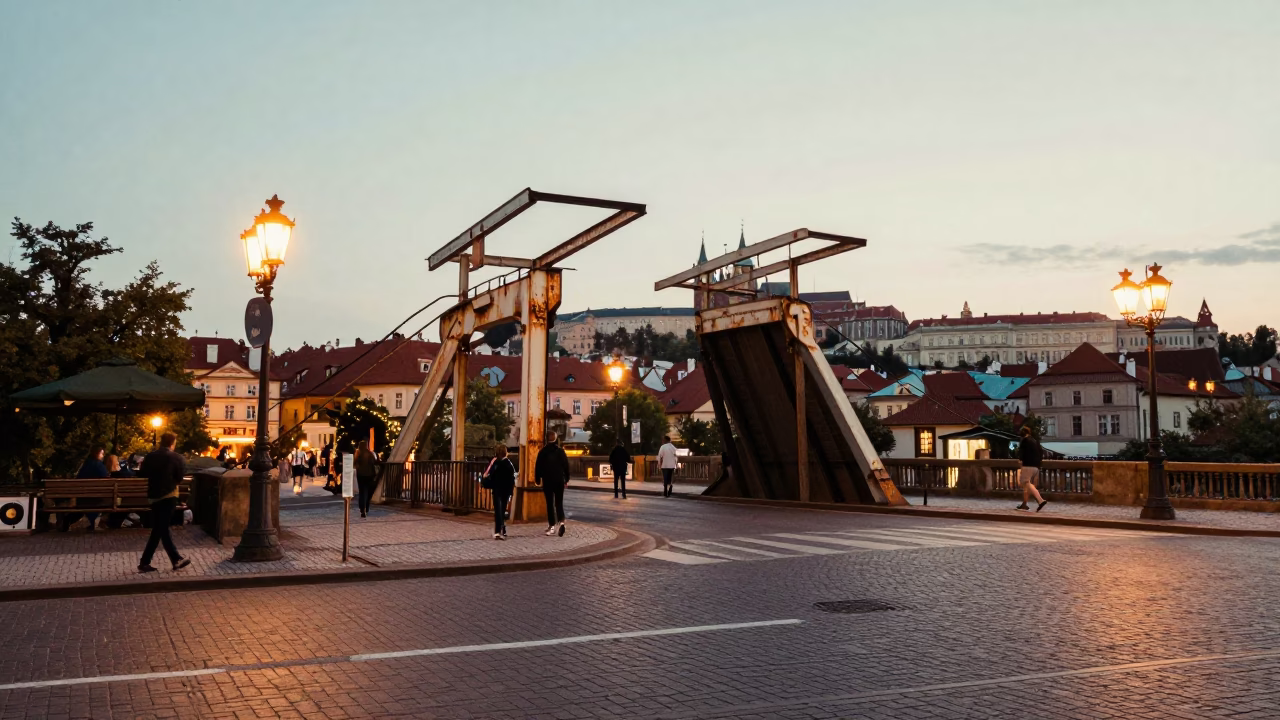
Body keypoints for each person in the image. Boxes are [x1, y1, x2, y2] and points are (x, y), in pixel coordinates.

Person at [138, 432, 191, 573]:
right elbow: (180, 477)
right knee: (162, 528)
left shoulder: (150, 457)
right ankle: (176, 559)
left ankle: (145, 562)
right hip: (169, 495)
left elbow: (143, 473)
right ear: (172, 443)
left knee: (159, 528)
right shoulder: (176, 457)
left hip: (154, 496)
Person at [535, 431, 571, 536]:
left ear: (546, 439)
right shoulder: (560, 452)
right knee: (559, 502)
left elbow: (538, 467)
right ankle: (562, 521)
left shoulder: (542, 452)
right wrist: (567, 478)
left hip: (548, 480)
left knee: (550, 503)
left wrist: (537, 479)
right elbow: (566, 465)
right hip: (559, 480)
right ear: (555, 439)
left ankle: (552, 526)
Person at [69, 446, 110, 532]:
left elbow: (79, 479)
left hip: (83, 496)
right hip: (97, 497)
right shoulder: (99, 465)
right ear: (97, 454)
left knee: (88, 504)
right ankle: (100, 522)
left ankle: (90, 522)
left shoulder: (86, 465)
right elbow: (105, 478)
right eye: (102, 453)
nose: (103, 456)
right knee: (107, 500)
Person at [484, 445, 517, 540]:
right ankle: (502, 528)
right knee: (502, 509)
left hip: (497, 489)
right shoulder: (509, 464)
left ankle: (498, 530)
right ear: (505, 452)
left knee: (498, 510)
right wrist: (511, 491)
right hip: (506, 490)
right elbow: (512, 478)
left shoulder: (495, 463)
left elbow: (488, 474)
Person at [1016, 426, 1049, 512]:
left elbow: (1021, 453)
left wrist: (1020, 461)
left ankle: (1040, 500)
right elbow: (1041, 452)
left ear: (1023, 432)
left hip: (1028, 465)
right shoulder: (1035, 441)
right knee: (1028, 485)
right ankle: (1024, 504)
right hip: (1036, 466)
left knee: (1025, 482)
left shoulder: (1025, 441)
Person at [354, 441, 378, 518]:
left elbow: (355, 464)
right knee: (368, 492)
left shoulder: (358, 454)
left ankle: (362, 509)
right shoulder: (370, 454)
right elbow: (374, 463)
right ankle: (366, 507)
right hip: (370, 475)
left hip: (360, 475)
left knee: (362, 492)